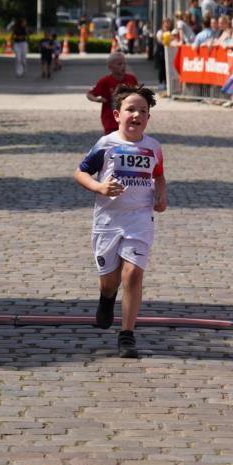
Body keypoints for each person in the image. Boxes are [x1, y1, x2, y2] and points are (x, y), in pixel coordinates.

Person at [74, 83, 167, 359]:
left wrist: (161, 196)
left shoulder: (153, 147)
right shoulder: (106, 144)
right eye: (130, 109)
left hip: (139, 218)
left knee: (133, 274)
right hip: (108, 220)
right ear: (117, 115)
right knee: (109, 281)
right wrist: (100, 188)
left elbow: (159, 176)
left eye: (142, 111)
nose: (136, 115)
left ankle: (127, 334)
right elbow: (80, 173)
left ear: (148, 118)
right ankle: (106, 298)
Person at [87, 52, 138, 134]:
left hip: (128, 118)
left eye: (124, 63)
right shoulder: (105, 81)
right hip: (110, 120)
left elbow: (138, 93)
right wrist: (96, 99)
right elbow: (89, 94)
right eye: (119, 64)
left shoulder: (131, 79)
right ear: (110, 67)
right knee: (112, 143)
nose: (123, 66)